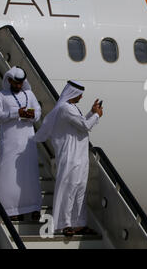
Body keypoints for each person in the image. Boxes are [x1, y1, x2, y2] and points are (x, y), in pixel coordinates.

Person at [33, 80, 103, 236]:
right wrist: (97, 116)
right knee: (68, 189)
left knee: (80, 190)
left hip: (80, 156)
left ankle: (79, 224)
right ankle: (64, 224)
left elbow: (81, 123)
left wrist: (92, 113)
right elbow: (85, 126)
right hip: (70, 156)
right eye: (80, 94)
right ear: (73, 93)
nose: (82, 96)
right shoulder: (65, 108)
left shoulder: (73, 108)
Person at [0, 66, 42, 221]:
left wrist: (31, 114)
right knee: (8, 175)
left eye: (21, 83)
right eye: (16, 83)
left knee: (29, 174)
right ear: (9, 80)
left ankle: (34, 207)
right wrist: (16, 113)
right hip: (10, 142)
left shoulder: (29, 94)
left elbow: (38, 112)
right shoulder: (1, 95)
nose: (19, 86)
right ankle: (9, 210)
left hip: (27, 141)